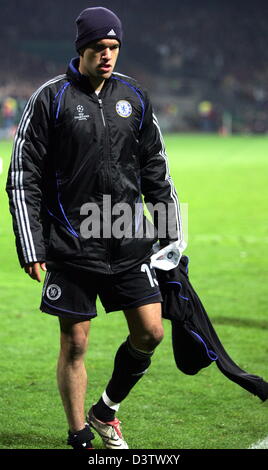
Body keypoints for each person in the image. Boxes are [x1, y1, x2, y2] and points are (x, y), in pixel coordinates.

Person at [6, 7, 183, 450]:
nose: (107, 56)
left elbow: (155, 169)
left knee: (151, 332)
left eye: (114, 47)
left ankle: (105, 412)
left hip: (127, 239)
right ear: (80, 50)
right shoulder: (50, 98)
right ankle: (78, 435)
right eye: (98, 48)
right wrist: (32, 244)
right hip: (72, 244)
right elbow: (21, 175)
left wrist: (170, 234)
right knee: (77, 343)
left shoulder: (134, 98)